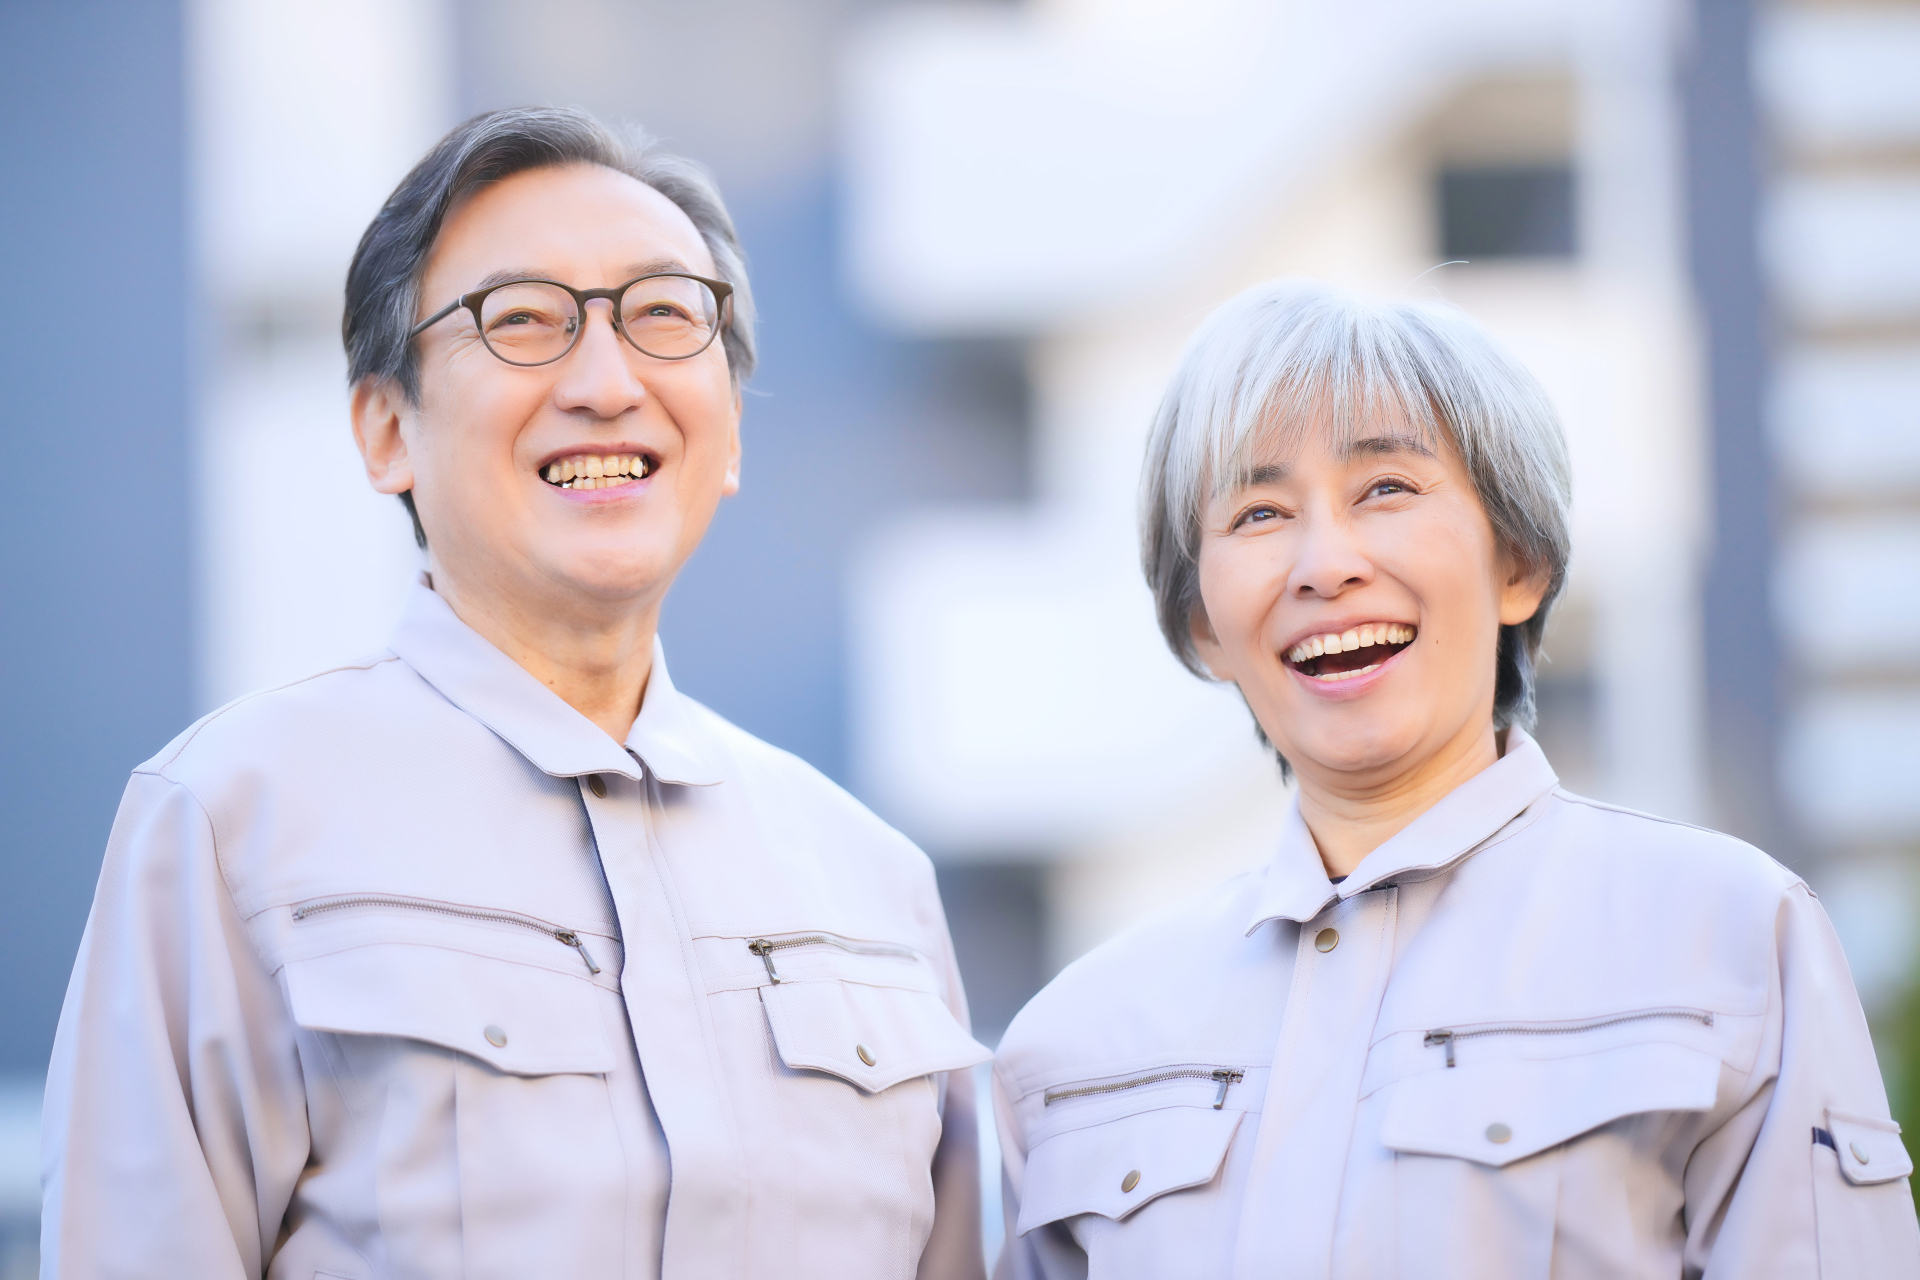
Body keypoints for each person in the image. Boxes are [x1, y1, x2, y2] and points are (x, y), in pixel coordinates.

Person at [41, 106, 989, 1279]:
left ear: (730, 429)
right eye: (525, 320)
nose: (606, 380)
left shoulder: (875, 887)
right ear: (387, 430)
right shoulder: (231, 823)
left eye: (662, 316)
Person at [990, 280, 1920, 1278]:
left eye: (1385, 488)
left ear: (1517, 560)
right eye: (1259, 511)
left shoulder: (1728, 934)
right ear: (1205, 624)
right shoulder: (1071, 1044)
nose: (1325, 562)